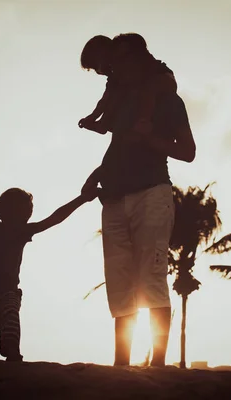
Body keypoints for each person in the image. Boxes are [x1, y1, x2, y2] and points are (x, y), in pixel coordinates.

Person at [80, 33, 196, 367]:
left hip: (152, 192)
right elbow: (118, 143)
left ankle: (158, 365)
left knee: (152, 276)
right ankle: (121, 365)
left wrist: (152, 139)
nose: (111, 69)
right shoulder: (120, 98)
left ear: (136, 59)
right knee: (119, 281)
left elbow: (187, 152)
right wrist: (97, 173)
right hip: (113, 195)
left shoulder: (168, 99)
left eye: (117, 62)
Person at [0, 187, 98, 361]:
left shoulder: (9, 229)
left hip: (7, 295)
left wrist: (81, 199)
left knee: (9, 332)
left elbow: (55, 218)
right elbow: (54, 218)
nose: (30, 212)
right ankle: (4, 364)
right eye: (27, 208)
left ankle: (12, 359)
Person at [78, 34, 177, 137]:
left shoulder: (123, 55)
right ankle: (104, 123)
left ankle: (144, 121)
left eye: (96, 67)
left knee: (147, 89)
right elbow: (105, 100)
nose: (99, 72)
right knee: (114, 96)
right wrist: (92, 117)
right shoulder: (114, 78)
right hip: (142, 85)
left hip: (162, 78)